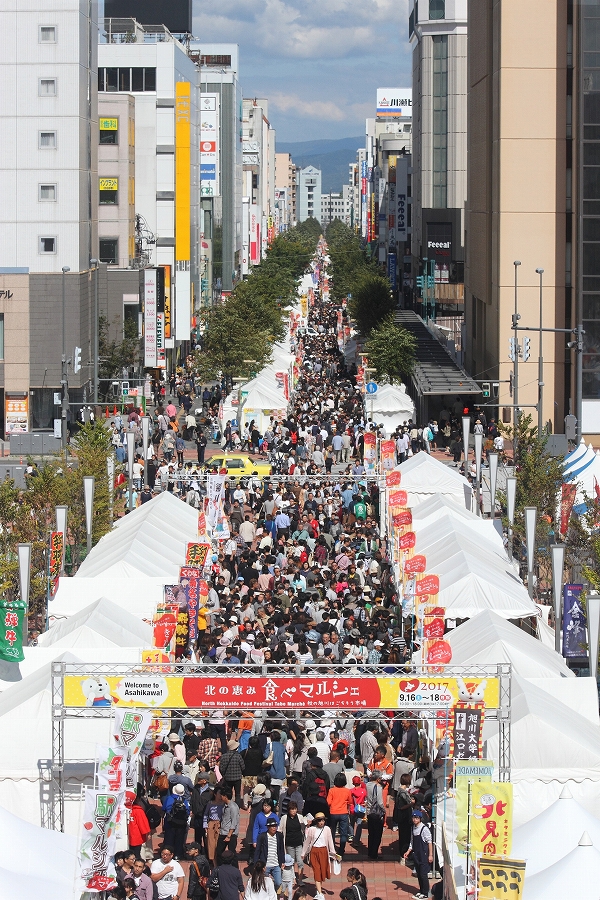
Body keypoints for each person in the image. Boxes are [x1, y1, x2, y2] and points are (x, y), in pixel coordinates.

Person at [300, 812, 336, 900]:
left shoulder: (327, 829)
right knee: (316, 871)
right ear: (316, 821)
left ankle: (318, 891)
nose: (321, 822)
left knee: (322, 872)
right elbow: (307, 842)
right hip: (314, 852)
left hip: (324, 852)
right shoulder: (312, 829)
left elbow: (330, 842)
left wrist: (333, 853)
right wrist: (303, 853)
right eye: (320, 820)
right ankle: (320, 893)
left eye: (323, 820)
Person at [404, 810, 433, 900]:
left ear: (420, 819)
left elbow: (429, 842)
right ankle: (421, 891)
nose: (414, 820)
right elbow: (412, 842)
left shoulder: (424, 829)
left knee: (423, 874)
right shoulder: (413, 828)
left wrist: (430, 855)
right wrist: (408, 851)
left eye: (416, 818)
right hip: (416, 855)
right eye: (413, 817)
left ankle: (425, 892)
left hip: (424, 855)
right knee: (419, 874)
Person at [254, 816, 286, 889]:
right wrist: (256, 863)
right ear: (268, 827)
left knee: (278, 882)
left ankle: (273, 893)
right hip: (265, 864)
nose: (274, 828)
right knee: (264, 883)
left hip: (276, 864)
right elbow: (258, 850)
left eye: (275, 826)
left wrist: (283, 861)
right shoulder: (262, 836)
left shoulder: (279, 836)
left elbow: (281, 849)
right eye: (272, 826)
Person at [279, 801, 306, 884]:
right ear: (288, 810)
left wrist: (307, 824)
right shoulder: (284, 818)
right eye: (292, 809)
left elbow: (304, 828)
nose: (294, 811)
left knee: (300, 862)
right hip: (289, 844)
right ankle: (293, 878)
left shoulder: (300, 817)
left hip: (299, 843)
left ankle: (300, 880)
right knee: (291, 862)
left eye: (295, 809)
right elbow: (280, 829)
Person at [162, 784, 190, 861]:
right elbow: (187, 811)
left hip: (170, 823)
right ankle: (178, 855)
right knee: (179, 840)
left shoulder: (169, 798)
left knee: (169, 840)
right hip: (181, 824)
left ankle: (168, 856)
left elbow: (164, 809)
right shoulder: (184, 800)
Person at [326, 772, 352, 857]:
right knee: (343, 833)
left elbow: (328, 802)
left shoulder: (331, 790)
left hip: (333, 813)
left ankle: (332, 848)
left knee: (332, 831)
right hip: (344, 813)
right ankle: (341, 850)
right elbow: (350, 801)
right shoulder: (347, 791)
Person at [217, 786, 241, 863]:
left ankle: (235, 870)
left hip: (230, 834)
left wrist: (229, 836)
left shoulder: (233, 807)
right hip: (223, 832)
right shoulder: (224, 805)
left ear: (225, 796)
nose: (220, 797)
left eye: (222, 795)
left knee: (232, 854)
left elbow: (234, 822)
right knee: (219, 852)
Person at [365, 773, 385, 860]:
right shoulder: (378, 787)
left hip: (369, 811)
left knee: (371, 833)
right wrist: (384, 811)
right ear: (377, 779)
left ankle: (370, 852)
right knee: (377, 834)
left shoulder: (367, 785)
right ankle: (374, 854)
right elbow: (380, 802)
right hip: (377, 813)